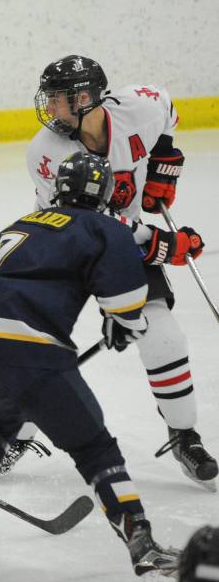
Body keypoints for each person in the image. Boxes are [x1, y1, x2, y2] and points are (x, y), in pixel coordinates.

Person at [0, 152, 180, 581]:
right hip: (28, 350)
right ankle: (142, 544)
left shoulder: (21, 223)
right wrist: (125, 325)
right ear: (105, 194)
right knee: (94, 449)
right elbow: (127, 302)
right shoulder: (105, 227)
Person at [18, 54, 215, 490]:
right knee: (35, 343)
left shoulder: (138, 108)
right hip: (65, 240)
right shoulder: (46, 153)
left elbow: (167, 109)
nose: (50, 109)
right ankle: (12, 433)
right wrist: (162, 242)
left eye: (58, 99)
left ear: (85, 97)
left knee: (163, 335)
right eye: (48, 99)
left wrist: (165, 160)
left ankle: (185, 437)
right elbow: (92, 227)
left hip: (126, 239)